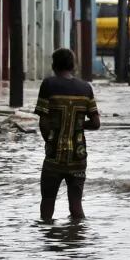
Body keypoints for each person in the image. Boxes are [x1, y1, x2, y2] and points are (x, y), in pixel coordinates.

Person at [35, 48, 101, 222]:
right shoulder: (86, 88)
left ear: (54, 65)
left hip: (54, 157)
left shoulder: (48, 85)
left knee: (48, 204)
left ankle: (48, 239)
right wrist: (77, 125)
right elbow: (96, 123)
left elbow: (43, 122)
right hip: (78, 157)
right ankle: (77, 239)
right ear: (72, 65)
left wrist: (51, 142)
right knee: (76, 206)